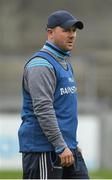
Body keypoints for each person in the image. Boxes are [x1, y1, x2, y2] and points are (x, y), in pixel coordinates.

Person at [18, 10, 89, 179]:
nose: (72, 35)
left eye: (74, 30)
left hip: (66, 148)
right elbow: (43, 109)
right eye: (66, 30)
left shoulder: (64, 61)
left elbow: (63, 108)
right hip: (44, 150)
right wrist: (60, 145)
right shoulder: (41, 65)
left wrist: (72, 143)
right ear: (50, 33)